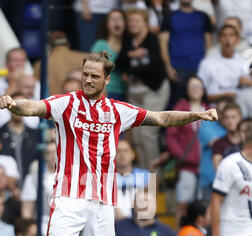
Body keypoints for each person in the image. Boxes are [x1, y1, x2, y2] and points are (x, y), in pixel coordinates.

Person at [0, 50, 217, 236]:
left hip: (102, 201)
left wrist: (197, 115)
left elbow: (161, 117)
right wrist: (13, 104)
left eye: (94, 76)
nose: (87, 79)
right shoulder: (66, 103)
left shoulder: (118, 111)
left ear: (106, 79)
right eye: (85, 73)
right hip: (68, 195)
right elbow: (33, 107)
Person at [116, 8, 169, 167]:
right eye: (130, 21)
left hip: (154, 89)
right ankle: (144, 178)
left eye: (136, 20)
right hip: (135, 92)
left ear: (145, 22)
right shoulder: (128, 41)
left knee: (147, 133)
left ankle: (154, 182)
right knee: (137, 136)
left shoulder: (152, 39)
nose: (132, 24)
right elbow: (118, 63)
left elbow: (154, 65)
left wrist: (131, 73)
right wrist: (131, 55)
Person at [166, 76, 209, 226]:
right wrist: (182, 156)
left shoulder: (209, 109)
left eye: (198, 86)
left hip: (205, 167)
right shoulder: (180, 108)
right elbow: (170, 137)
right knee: (183, 206)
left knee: (202, 208)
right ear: (187, 90)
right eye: (192, 86)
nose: (195, 89)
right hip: (186, 167)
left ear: (203, 90)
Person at [159, 0, 213, 107]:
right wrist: (168, 67)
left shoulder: (203, 16)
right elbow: (163, 43)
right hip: (177, 69)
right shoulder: (169, 16)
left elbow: (209, 44)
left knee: (201, 105)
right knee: (177, 105)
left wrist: (208, 68)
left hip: (200, 68)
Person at [197, 24, 251, 103]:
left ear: (237, 40)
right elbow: (199, 94)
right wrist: (224, 96)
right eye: (224, 35)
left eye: (231, 35)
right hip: (214, 109)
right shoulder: (207, 63)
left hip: (240, 111)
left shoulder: (245, 64)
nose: (227, 39)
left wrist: (249, 82)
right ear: (219, 39)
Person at [0, 92, 40, 187]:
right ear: (8, 107)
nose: (19, 108)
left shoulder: (36, 134)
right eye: (15, 104)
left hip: (31, 189)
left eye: (23, 105)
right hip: (7, 190)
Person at [21, 137, 56, 236]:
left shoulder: (71, 178)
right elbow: (26, 213)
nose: (53, 156)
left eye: (56, 152)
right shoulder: (32, 179)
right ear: (44, 156)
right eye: (49, 153)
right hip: (42, 232)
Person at [33, 31, 88, 96]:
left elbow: (34, 88)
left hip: (52, 103)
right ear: (68, 44)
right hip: (77, 103)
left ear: (49, 47)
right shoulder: (85, 59)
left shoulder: (40, 64)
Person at [198, 96, 230, 203]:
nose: (222, 115)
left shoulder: (240, 128)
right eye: (220, 111)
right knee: (210, 214)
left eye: (226, 112)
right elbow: (218, 146)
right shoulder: (207, 123)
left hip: (233, 179)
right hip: (211, 178)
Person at [91, 9, 128, 100]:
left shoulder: (129, 45)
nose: (116, 21)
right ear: (107, 24)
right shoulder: (100, 45)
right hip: (106, 93)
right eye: (112, 19)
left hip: (128, 94)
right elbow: (91, 69)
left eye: (120, 18)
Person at [115, 138, 150, 220]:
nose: (122, 154)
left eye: (126, 151)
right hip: (112, 223)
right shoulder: (105, 178)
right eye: (118, 151)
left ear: (133, 154)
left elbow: (150, 203)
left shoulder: (146, 176)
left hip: (139, 222)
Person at [212, 102, 242, 170]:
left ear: (240, 117)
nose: (230, 121)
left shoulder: (248, 142)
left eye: (233, 117)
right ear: (223, 120)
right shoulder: (218, 144)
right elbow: (219, 173)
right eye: (227, 117)